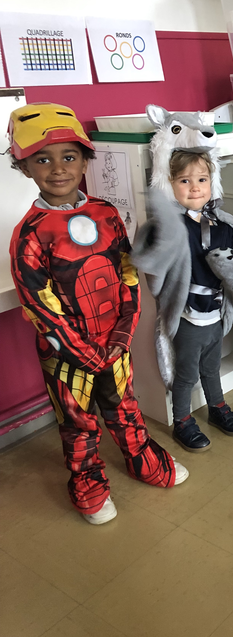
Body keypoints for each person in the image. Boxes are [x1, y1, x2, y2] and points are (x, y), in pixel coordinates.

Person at [8, 102, 188, 526]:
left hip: (115, 345)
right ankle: (86, 478)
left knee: (124, 406)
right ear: (25, 167)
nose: (58, 168)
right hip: (66, 356)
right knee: (77, 421)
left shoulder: (106, 213)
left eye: (69, 156)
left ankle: (141, 457)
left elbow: (128, 274)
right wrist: (83, 354)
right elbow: (39, 306)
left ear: (86, 160)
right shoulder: (29, 234)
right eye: (42, 159)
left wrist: (123, 335)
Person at [131, 106, 233, 453]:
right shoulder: (170, 228)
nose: (195, 188)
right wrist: (163, 233)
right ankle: (182, 420)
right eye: (184, 181)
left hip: (215, 313)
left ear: (212, 182)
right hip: (188, 316)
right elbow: (153, 263)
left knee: (211, 365)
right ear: (169, 183)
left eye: (202, 180)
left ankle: (217, 406)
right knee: (186, 373)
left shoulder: (222, 222)